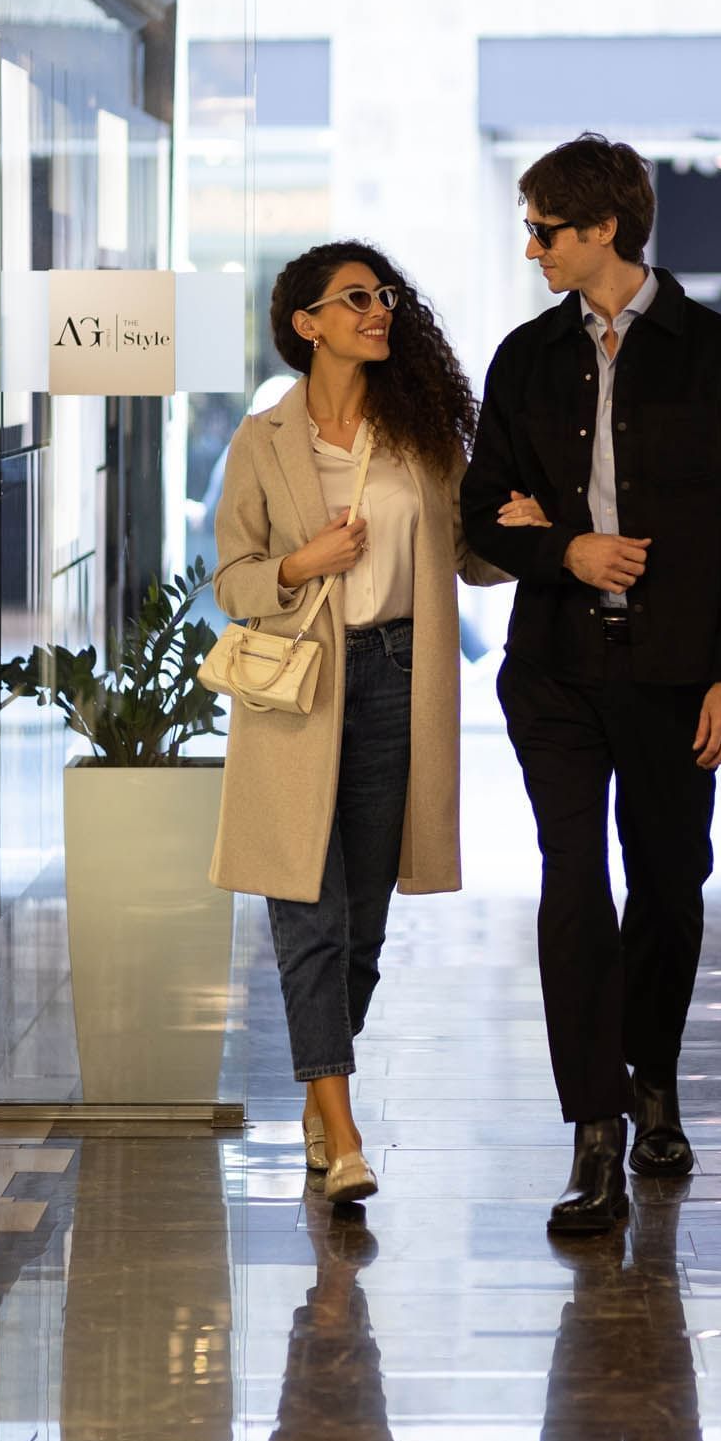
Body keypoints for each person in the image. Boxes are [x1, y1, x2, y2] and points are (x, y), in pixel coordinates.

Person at [461, 134, 721, 1235]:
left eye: (545, 229)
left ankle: (654, 1086)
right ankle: (592, 1132)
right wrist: (565, 551)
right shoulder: (521, 359)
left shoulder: (718, 356)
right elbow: (478, 511)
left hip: (674, 671)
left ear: (602, 230)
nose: (532, 247)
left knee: (667, 884)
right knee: (570, 884)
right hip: (552, 668)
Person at [211, 241, 504, 1206]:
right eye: (354, 299)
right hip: (298, 687)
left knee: (366, 923)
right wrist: (304, 564)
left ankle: (317, 1088)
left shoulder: (422, 437)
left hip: (401, 674)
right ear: (307, 325)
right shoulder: (262, 438)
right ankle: (342, 1132)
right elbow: (235, 580)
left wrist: (525, 533)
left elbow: (468, 556)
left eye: (382, 296)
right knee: (308, 909)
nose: (378, 310)